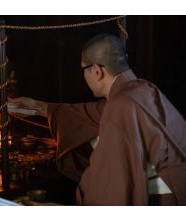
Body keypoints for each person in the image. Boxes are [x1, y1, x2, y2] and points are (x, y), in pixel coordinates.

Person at [10, 34, 186, 205]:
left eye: (83, 69)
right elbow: (86, 112)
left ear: (96, 70)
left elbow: (113, 182)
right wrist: (37, 107)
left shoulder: (120, 105)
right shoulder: (142, 88)